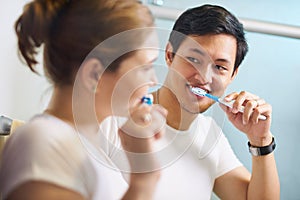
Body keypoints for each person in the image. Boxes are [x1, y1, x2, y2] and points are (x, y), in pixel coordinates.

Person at [0, 0, 167, 200]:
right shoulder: (43, 144)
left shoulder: (88, 149)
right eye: (146, 67)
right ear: (94, 74)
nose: (154, 81)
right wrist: (144, 180)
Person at [149, 4, 280, 199]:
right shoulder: (121, 117)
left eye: (219, 67)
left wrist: (260, 141)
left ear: (233, 75)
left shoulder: (210, 136)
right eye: (193, 59)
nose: (204, 77)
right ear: (170, 55)